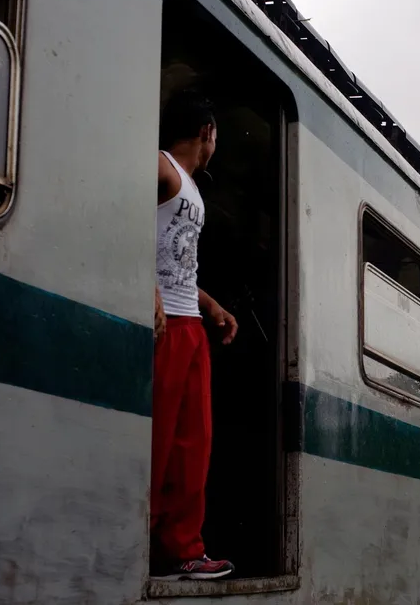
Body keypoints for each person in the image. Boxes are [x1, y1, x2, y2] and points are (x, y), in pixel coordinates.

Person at [151, 91, 239, 580]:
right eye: (216, 137)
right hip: (165, 326)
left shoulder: (191, 187)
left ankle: (183, 548)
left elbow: (178, 258)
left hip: (190, 323)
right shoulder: (162, 167)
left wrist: (211, 305)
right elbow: (122, 216)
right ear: (206, 133)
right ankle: (144, 536)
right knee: (160, 437)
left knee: (193, 442)